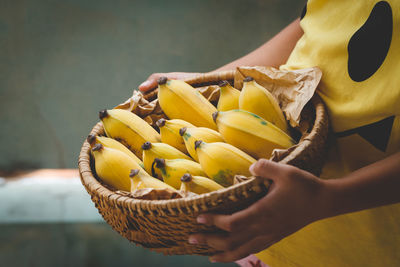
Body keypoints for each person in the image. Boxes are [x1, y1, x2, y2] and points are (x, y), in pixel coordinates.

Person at [139, 1, 400, 266]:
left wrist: (328, 198)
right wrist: (216, 82)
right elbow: (318, 19)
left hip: (366, 236)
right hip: (268, 231)